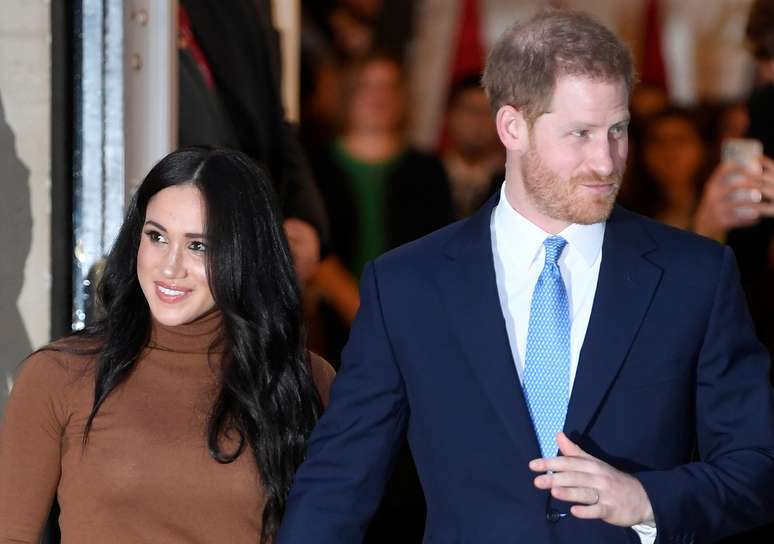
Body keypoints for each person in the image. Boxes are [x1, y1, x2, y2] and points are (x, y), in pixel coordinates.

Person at [278, 10, 774, 544]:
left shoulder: (694, 275)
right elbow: (339, 483)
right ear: (512, 127)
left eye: (618, 131)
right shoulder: (405, 286)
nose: (606, 162)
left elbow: (757, 465)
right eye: (579, 134)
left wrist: (646, 499)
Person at [0, 147, 335, 543]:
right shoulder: (60, 374)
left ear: (245, 255)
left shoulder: (304, 379)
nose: (170, 267)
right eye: (157, 236)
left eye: (199, 245)